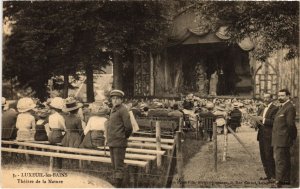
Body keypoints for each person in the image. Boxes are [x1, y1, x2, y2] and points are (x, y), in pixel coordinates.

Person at [271, 89, 297, 188]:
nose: (280, 97)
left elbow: (290, 125)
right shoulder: (282, 107)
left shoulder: (289, 107)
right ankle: (284, 181)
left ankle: (278, 182)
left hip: (283, 139)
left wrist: (292, 137)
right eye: (279, 95)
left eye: (282, 95)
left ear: (288, 96)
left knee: (280, 161)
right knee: (283, 160)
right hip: (279, 139)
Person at [107, 89, 133, 187]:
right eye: (113, 98)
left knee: (118, 166)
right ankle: (117, 184)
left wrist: (123, 136)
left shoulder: (123, 110)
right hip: (112, 141)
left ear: (121, 100)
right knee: (114, 165)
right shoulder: (113, 109)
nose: (115, 100)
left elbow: (129, 127)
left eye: (117, 98)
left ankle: (118, 185)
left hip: (119, 142)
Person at [256, 94, 278, 182]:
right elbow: (259, 120)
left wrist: (263, 119)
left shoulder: (275, 108)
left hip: (269, 136)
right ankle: (268, 175)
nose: (265, 99)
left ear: (271, 99)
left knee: (269, 155)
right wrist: (256, 121)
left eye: (267, 97)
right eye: (264, 97)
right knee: (263, 156)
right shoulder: (261, 108)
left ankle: (273, 176)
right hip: (261, 135)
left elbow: (274, 122)